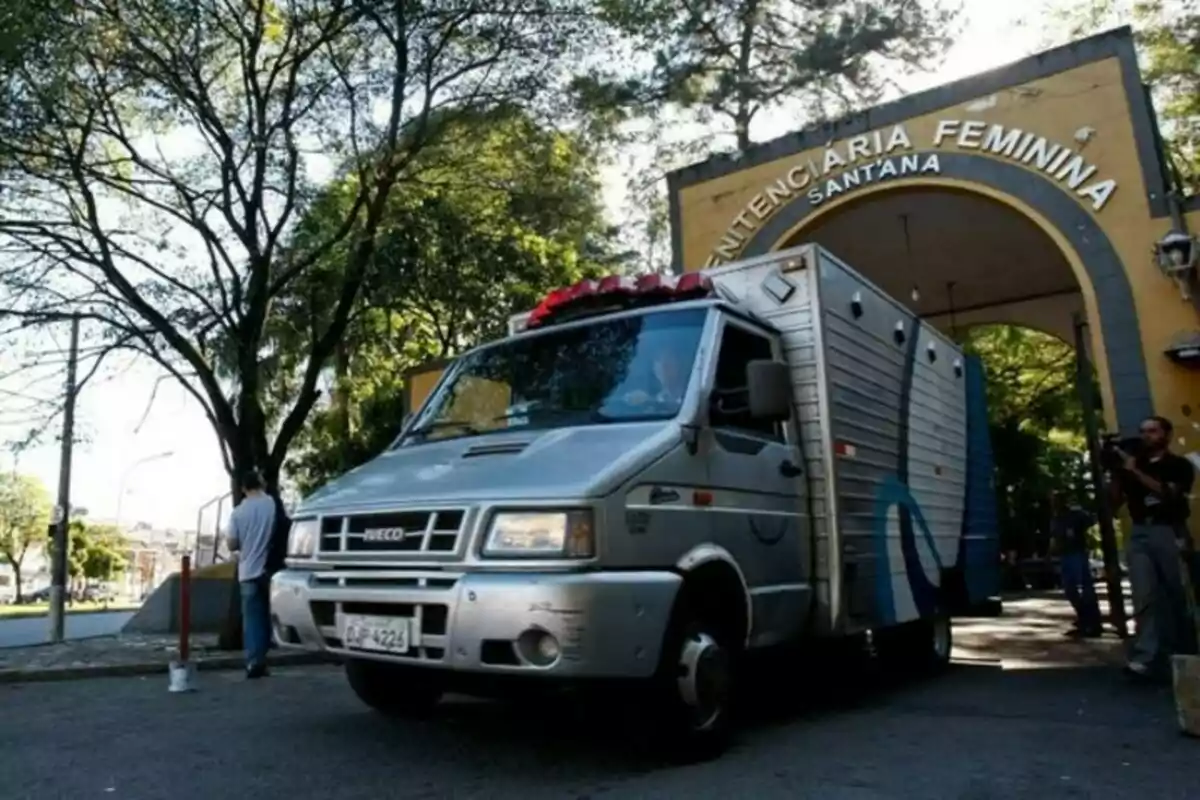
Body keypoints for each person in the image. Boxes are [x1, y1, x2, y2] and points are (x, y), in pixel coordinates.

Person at [1108, 415, 1197, 680]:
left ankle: (1187, 653)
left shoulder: (1178, 465)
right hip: (1140, 532)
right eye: (1143, 431)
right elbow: (1113, 506)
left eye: (1153, 431)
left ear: (1166, 435)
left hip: (1168, 529)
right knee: (1143, 595)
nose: (1147, 436)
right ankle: (1146, 656)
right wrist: (1116, 472)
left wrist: (1135, 471)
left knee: (1178, 592)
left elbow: (1168, 494)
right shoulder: (1133, 466)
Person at [225, 469, 278, 679]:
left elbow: (231, 544)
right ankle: (266, 655)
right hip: (271, 569)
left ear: (243, 488)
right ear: (262, 483)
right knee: (270, 616)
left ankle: (255, 661)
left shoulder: (238, 512)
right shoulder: (273, 504)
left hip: (247, 571)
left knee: (253, 619)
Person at [1049, 492, 1102, 638]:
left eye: (1056, 500)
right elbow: (1055, 537)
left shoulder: (1075, 515)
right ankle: (1084, 619)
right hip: (1065, 555)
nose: (1053, 504)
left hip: (1077, 553)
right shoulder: (1056, 519)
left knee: (1083, 588)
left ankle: (1091, 623)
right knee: (1070, 589)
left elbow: (1091, 521)